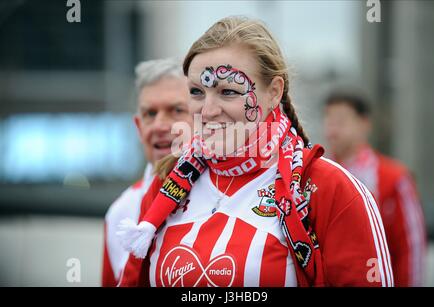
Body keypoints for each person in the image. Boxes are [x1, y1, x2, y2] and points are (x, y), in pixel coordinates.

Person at [117, 16, 393, 287]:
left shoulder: (330, 188)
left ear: (274, 92)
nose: (208, 111)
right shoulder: (167, 184)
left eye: (228, 92)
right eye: (197, 92)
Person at [102, 58, 193, 286]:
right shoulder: (119, 213)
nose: (160, 125)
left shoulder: (226, 195)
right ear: (138, 126)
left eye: (176, 110)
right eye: (150, 114)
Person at [323, 90, 427, 287]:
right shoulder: (315, 176)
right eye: (328, 119)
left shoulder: (395, 178)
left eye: (341, 121)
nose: (332, 129)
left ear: (364, 125)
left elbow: (411, 248)